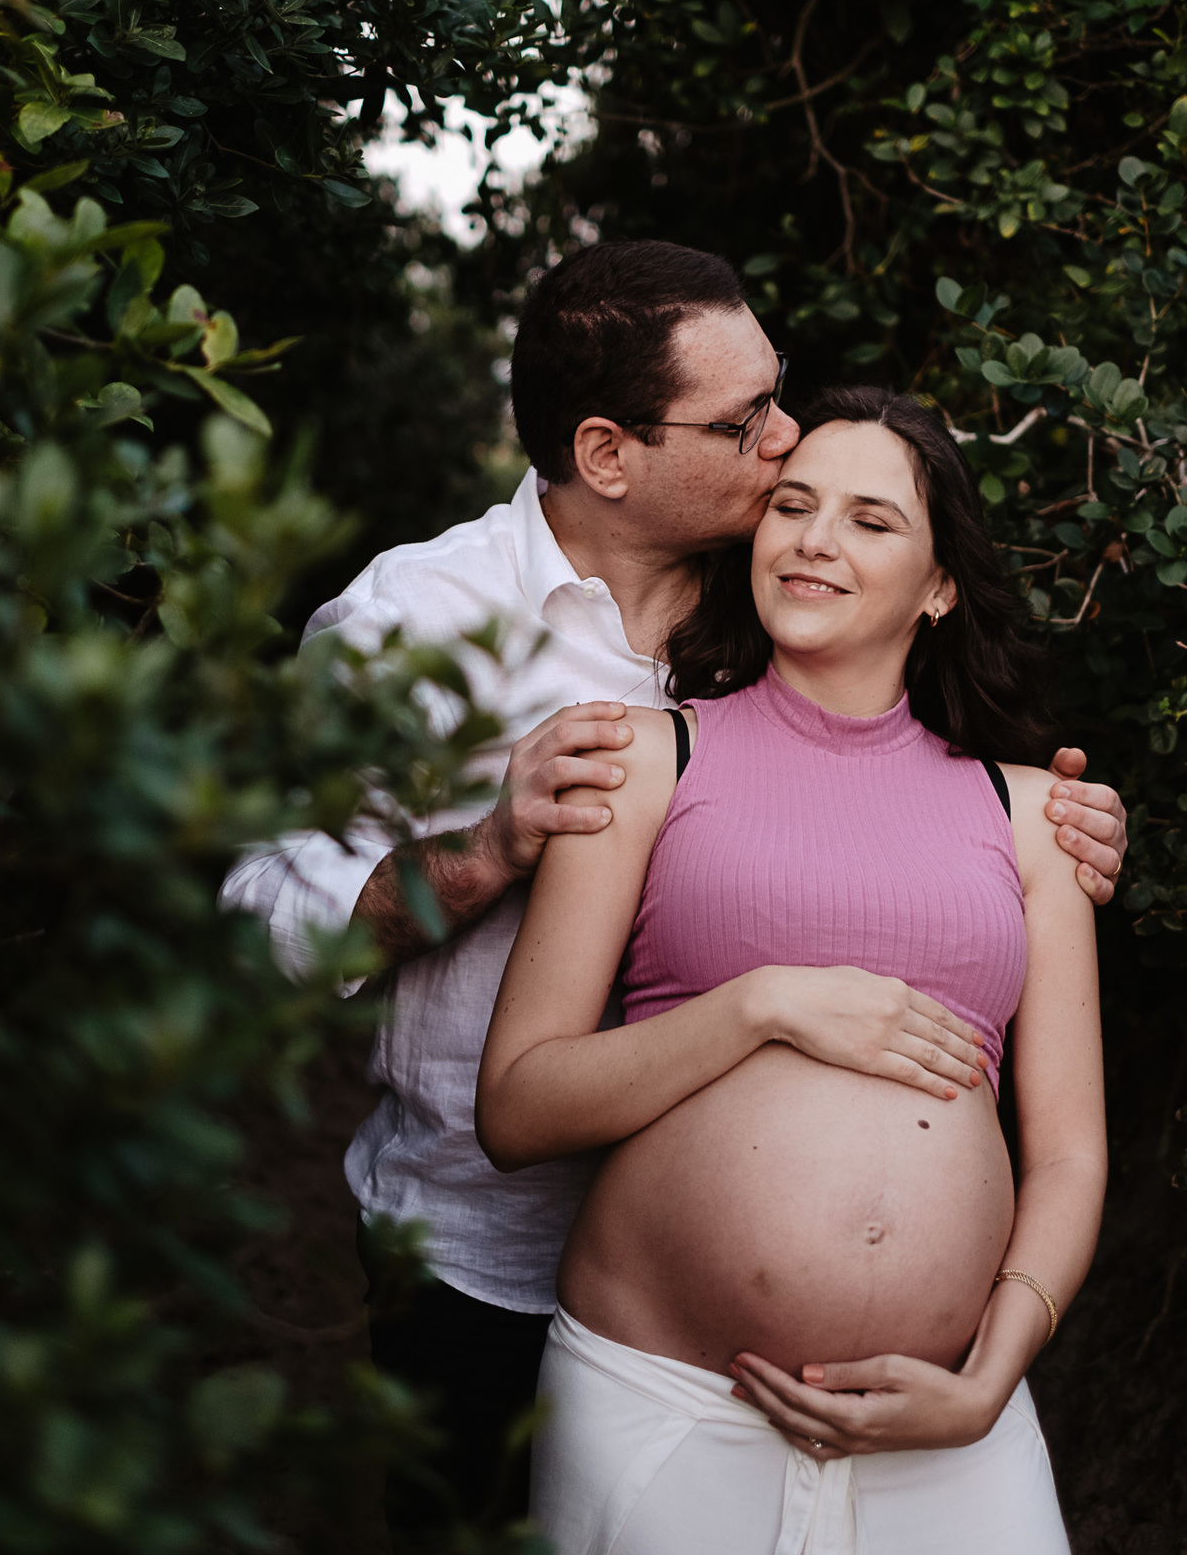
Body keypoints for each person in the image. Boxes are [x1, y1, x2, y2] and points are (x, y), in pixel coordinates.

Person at [221, 243, 1125, 1524]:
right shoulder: (415, 629)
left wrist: (1060, 823)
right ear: (607, 456)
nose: (786, 438)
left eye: (781, 396)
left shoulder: (771, 596)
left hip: (771, 1335)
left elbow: (895, 748)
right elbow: (259, 921)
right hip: (486, 1257)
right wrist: (482, 855)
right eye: (748, 420)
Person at [475, 385, 1107, 1555]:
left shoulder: (1034, 819)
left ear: (940, 585)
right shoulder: (641, 761)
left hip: (951, 1429)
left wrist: (990, 1378)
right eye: (795, 505)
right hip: (663, 1404)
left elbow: (1068, 1149)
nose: (815, 538)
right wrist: (763, 1006)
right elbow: (518, 1106)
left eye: (871, 520)